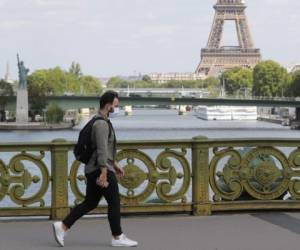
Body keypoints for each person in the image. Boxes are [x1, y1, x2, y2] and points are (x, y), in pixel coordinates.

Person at [52, 90, 138, 247]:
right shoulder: (101, 124)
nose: (117, 109)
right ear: (108, 105)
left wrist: (115, 164)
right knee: (114, 201)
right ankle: (117, 237)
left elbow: (104, 149)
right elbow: (101, 150)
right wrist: (105, 172)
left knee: (90, 202)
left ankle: (62, 226)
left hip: (94, 168)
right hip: (99, 169)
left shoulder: (100, 121)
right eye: (116, 106)